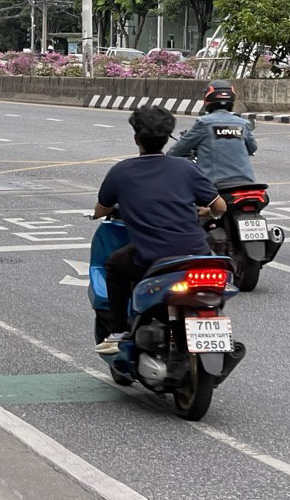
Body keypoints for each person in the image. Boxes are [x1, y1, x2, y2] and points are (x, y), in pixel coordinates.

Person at [91, 105, 226, 354]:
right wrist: (208, 213)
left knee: (113, 265)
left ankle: (119, 331)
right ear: (166, 139)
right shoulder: (186, 168)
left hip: (152, 257)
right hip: (197, 253)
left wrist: (101, 212)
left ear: (136, 139)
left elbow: (100, 209)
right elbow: (219, 206)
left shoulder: (121, 172)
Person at [166, 80, 258, 186]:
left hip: (214, 184)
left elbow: (178, 150)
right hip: (246, 182)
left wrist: (170, 154)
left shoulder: (204, 123)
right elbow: (252, 148)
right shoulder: (242, 123)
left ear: (207, 98)